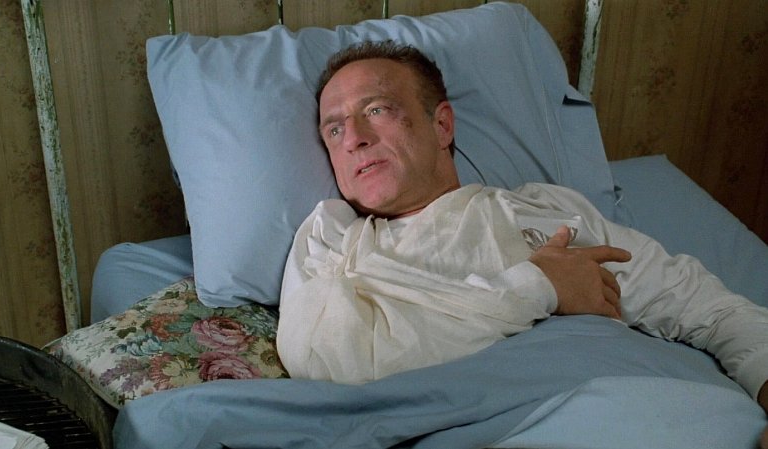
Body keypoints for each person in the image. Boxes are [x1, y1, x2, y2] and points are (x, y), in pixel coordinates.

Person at [275, 40, 768, 443]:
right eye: (334, 128)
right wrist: (539, 286)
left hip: (648, 413)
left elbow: (705, 307)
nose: (353, 138)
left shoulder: (544, 212)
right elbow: (325, 358)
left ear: (441, 125)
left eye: (377, 109)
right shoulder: (334, 239)